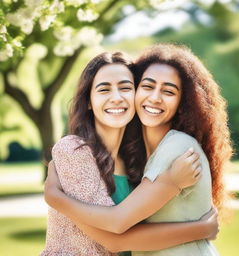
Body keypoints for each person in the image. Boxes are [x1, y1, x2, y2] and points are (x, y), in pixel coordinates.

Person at [42, 49, 220, 256]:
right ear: (88, 101)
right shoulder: (75, 150)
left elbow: (133, 234)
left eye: (125, 88)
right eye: (104, 90)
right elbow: (113, 240)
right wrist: (200, 228)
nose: (116, 98)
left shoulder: (135, 163)